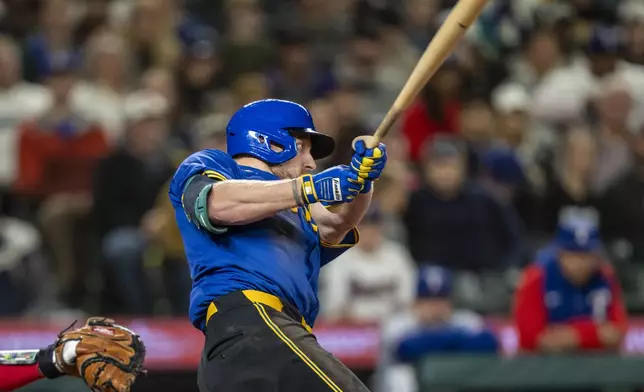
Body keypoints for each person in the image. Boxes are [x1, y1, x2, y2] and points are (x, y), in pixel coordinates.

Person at [169, 99, 387, 391]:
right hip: (252, 322)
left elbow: (337, 225)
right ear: (270, 141)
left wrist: (363, 181)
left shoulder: (296, 204)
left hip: (266, 341)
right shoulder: (214, 165)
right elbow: (216, 204)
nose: (310, 162)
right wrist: (311, 188)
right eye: (304, 147)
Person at [514, 212, 628, 353]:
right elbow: (531, 339)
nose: (580, 264)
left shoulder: (605, 277)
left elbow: (617, 333)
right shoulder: (537, 277)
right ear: (560, 253)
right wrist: (595, 334)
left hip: (596, 368)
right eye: (573, 255)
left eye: (586, 255)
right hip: (543, 369)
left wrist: (570, 335)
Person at [375, 265, 498, 392]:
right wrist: (456, 340)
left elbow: (490, 342)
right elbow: (407, 349)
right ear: (415, 302)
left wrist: (436, 340)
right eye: (428, 300)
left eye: (441, 300)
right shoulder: (397, 324)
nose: (435, 307)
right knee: (400, 376)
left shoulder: (466, 320)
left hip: (452, 385)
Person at [320, 204, 416, 323]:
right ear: (354, 229)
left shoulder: (397, 254)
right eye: (364, 227)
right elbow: (334, 306)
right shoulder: (340, 257)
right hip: (354, 326)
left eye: (374, 227)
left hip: (391, 324)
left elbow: (408, 299)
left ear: (381, 228)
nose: (370, 232)